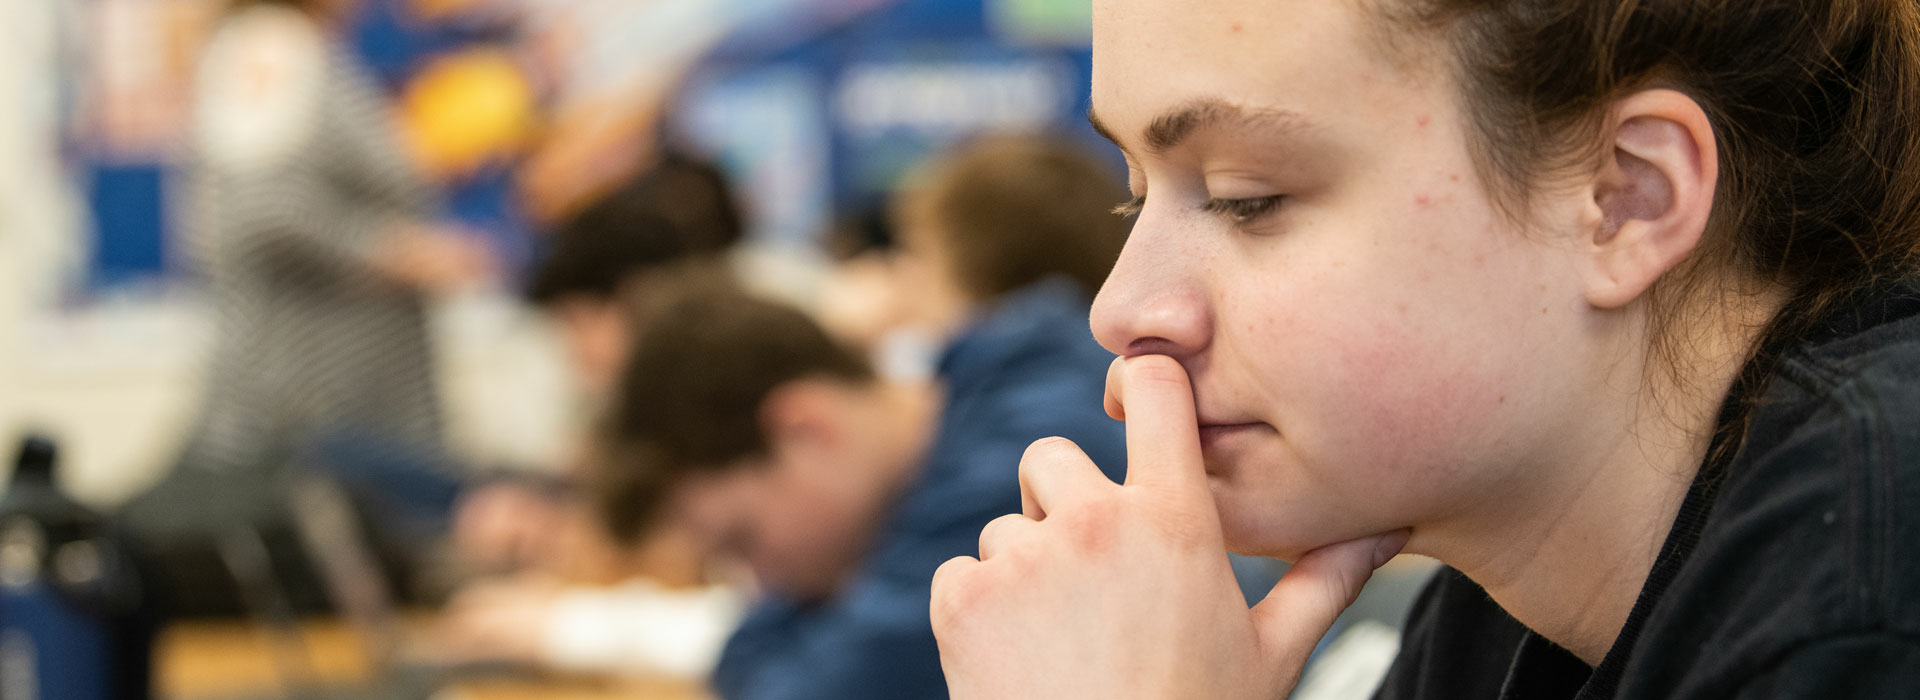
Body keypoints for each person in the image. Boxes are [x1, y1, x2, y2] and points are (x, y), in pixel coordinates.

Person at [930, 2, 1920, 699]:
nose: (1122, 307)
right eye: (1136, 192)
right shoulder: (1492, 616)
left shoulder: (1865, 591)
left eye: (1245, 196)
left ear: (1628, 196)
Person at [595, 135, 1135, 699]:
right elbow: (751, 654)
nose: (759, 578)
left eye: (743, 539)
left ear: (805, 428)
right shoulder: (959, 443)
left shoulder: (1035, 443)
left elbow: (836, 686)